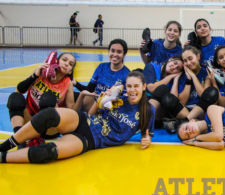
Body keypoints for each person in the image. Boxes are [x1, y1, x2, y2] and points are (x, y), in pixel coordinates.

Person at [0, 71, 155, 164]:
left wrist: (147, 140)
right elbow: (92, 114)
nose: (132, 90)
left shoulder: (148, 110)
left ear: (143, 87)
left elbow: (146, 134)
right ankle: (4, 146)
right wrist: (100, 101)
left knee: (47, 152)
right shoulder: (117, 98)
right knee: (48, 115)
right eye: (129, 86)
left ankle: (3, 157)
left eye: (136, 86)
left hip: (91, 140)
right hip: (84, 120)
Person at [7, 51, 79, 148]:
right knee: (15, 97)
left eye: (70, 64)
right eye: (64, 60)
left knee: (49, 97)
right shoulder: (40, 72)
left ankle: (39, 138)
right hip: (29, 119)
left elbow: (70, 112)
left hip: (49, 127)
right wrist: (35, 75)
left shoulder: (68, 83)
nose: (66, 64)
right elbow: (18, 91)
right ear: (56, 61)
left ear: (70, 71)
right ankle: (19, 140)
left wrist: (57, 108)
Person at [73, 39, 131, 111]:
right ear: (108, 52)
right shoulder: (102, 67)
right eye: (112, 51)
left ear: (124, 54)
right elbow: (89, 89)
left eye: (119, 52)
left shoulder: (127, 75)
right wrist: (75, 83)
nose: (115, 54)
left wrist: (105, 103)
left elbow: (124, 101)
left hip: (111, 108)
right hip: (94, 102)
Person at [143, 55, 184, 127]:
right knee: (163, 89)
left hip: (161, 114)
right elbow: (151, 88)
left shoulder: (175, 79)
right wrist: (169, 77)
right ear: (170, 59)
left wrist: (176, 80)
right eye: (174, 63)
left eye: (178, 68)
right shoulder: (152, 67)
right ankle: (143, 119)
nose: (174, 67)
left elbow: (173, 102)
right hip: (145, 106)